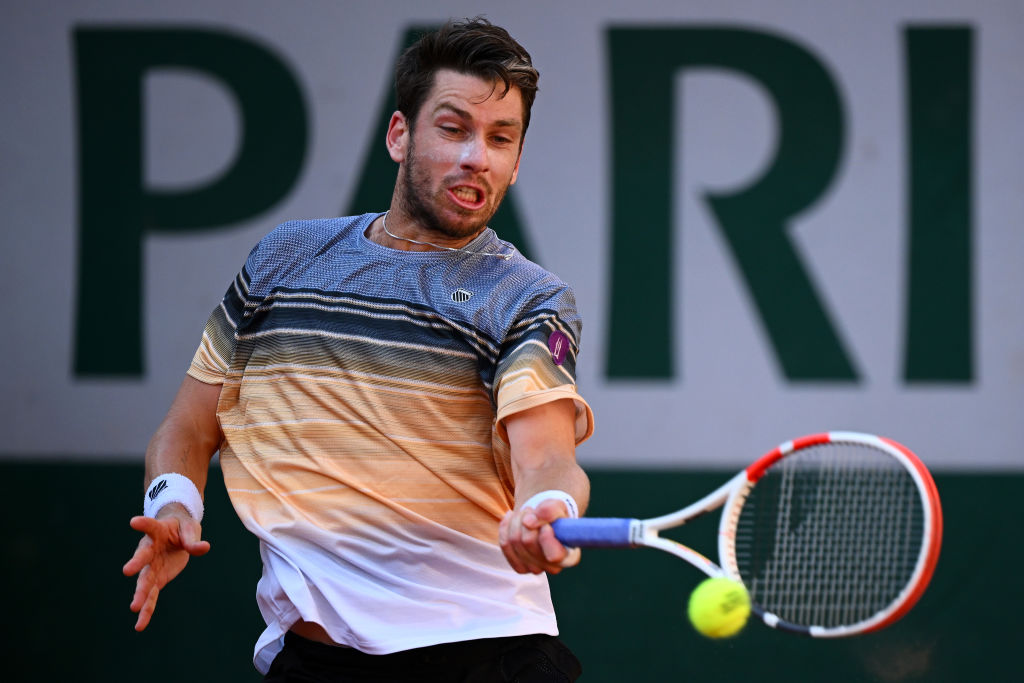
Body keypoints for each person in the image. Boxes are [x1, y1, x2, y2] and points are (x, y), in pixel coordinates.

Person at [122, 17, 594, 683]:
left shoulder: (526, 297)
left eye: (500, 139)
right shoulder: (285, 259)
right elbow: (189, 427)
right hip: (313, 661)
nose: (476, 158)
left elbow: (547, 457)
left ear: (516, 163)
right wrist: (176, 503)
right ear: (400, 135)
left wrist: (550, 506)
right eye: (454, 128)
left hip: (487, 657)